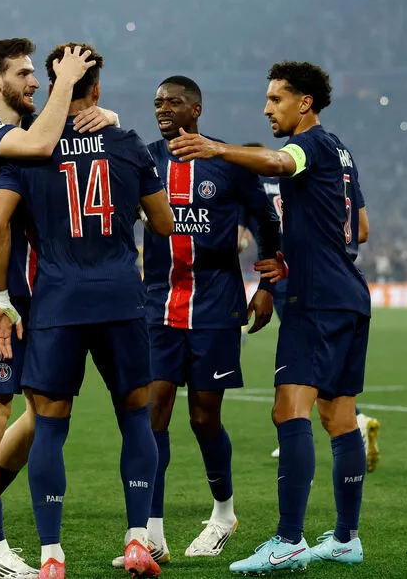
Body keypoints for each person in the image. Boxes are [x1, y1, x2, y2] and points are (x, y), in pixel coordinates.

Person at [169, 61, 370, 572]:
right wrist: (299, 251)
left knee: (289, 411)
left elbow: (280, 162)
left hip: (316, 299)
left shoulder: (310, 144)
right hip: (348, 292)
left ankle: (289, 540)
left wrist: (216, 149)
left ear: (305, 103)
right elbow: (361, 228)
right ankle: (346, 538)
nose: (266, 109)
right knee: (339, 417)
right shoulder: (342, 151)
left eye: (276, 99)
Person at [0, 42, 174, 579]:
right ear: (99, 88)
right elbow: (163, 223)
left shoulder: (29, 145)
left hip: (58, 301)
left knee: (49, 427)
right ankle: (137, 541)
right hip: (121, 298)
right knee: (135, 418)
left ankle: (51, 556)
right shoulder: (127, 143)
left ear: (53, 85)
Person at [0, 37, 119, 578]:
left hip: (43, 292)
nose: (35, 81)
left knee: (46, 411)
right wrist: (66, 82)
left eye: (36, 73)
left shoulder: (29, 127)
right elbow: (42, 145)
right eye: (24, 73)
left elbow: (76, 141)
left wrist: (108, 116)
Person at [110, 76, 281, 570]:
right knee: (153, 413)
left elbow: (267, 221)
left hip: (215, 306)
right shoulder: (144, 159)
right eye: (158, 102)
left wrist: (267, 283)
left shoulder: (227, 163)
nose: (163, 108)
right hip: (159, 307)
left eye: (174, 102)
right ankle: (153, 532)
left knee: (204, 417)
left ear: (196, 110)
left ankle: (224, 513)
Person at [243, 142, 381, 472]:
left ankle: (308, 430)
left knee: (298, 384)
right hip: (347, 285)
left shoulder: (266, 179)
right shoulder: (338, 158)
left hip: (301, 281)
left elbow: (240, 238)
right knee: (329, 385)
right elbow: (362, 230)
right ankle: (348, 423)